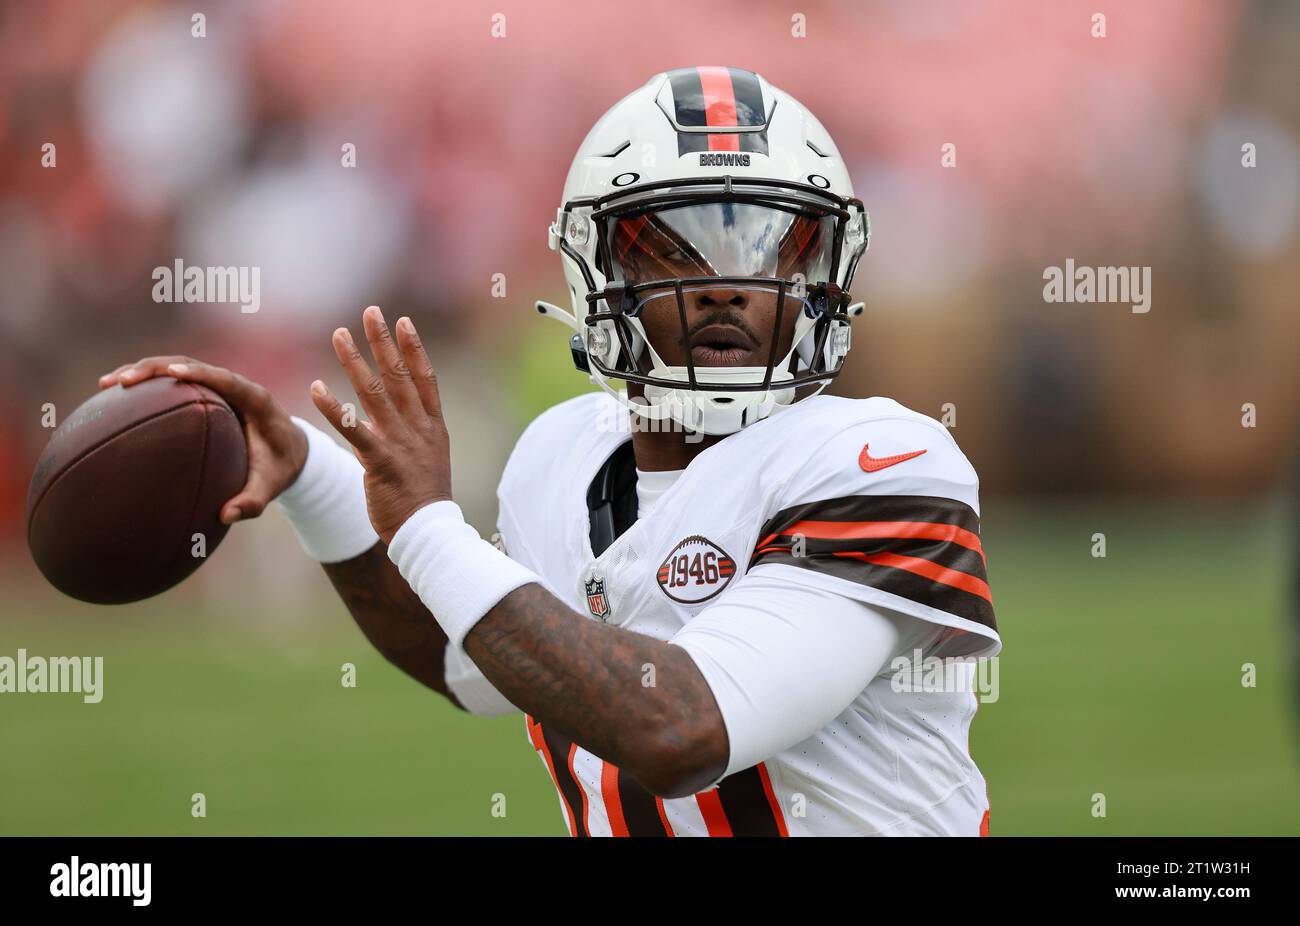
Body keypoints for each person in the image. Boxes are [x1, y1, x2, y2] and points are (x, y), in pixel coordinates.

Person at [100, 67, 1000, 836]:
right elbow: (475, 660)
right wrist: (310, 471)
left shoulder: (884, 460)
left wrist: (425, 525)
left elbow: (682, 728)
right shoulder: (560, 455)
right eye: (676, 249)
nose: (728, 284)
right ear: (597, 273)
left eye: (771, 245)